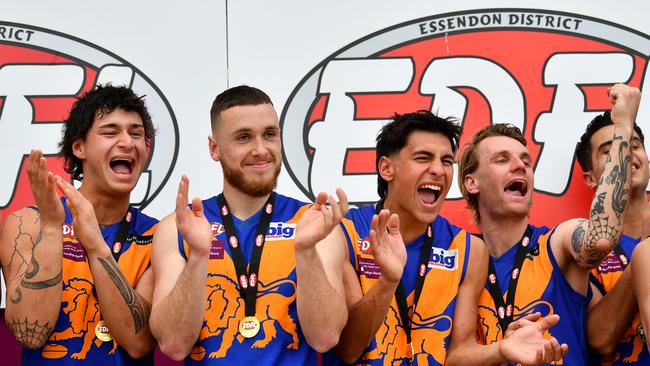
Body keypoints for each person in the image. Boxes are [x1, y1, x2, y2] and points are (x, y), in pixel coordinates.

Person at [328, 110, 566, 366]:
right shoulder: (345, 232)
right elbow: (348, 348)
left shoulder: (469, 249)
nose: (438, 170)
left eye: (446, 161)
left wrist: (502, 349)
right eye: (423, 158)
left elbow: (458, 354)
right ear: (387, 168)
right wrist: (388, 281)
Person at [149, 85, 352, 365]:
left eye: (269, 135)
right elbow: (173, 344)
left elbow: (326, 336)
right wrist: (197, 257)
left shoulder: (314, 224)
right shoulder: (178, 227)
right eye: (244, 137)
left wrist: (306, 252)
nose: (261, 150)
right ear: (214, 148)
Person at [457, 83, 641, 365]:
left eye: (526, 161)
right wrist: (501, 350)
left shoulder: (555, 243)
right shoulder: (461, 257)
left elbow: (601, 237)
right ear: (472, 182)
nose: (520, 166)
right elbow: (454, 358)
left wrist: (624, 128)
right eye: (502, 159)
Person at [0, 84, 158, 364]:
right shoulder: (29, 222)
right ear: (79, 147)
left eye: (136, 133)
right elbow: (29, 334)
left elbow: (139, 343)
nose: (127, 142)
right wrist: (51, 230)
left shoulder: (159, 235)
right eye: (110, 132)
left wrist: (96, 246)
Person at [575, 111, 649, 364]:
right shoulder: (582, 245)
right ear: (591, 178)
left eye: (634, 145)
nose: (626, 153)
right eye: (612, 150)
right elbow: (600, 339)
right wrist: (644, 251)